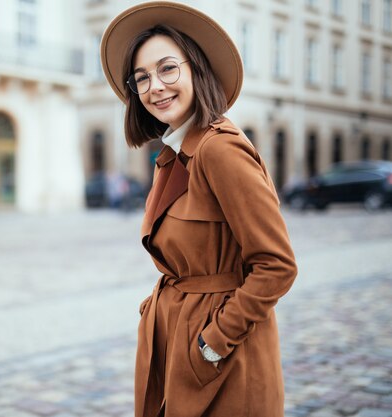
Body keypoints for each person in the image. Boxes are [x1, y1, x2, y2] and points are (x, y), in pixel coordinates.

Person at [100, 3, 297, 417]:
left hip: (226, 364)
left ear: (196, 70)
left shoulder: (220, 149)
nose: (156, 86)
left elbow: (277, 265)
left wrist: (214, 341)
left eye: (168, 68)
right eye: (142, 78)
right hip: (176, 347)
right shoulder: (173, 154)